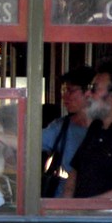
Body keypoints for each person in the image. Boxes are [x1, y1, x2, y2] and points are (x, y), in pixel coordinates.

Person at [64, 65, 112, 200]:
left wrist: (85, 209)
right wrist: (66, 208)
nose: (88, 94)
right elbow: (74, 172)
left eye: (94, 89)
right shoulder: (96, 127)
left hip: (108, 219)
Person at [41, 66, 93, 198]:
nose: (64, 96)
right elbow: (29, 143)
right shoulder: (61, 127)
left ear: (88, 92)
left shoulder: (107, 129)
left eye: (70, 91)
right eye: (63, 90)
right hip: (62, 199)